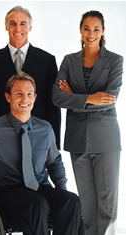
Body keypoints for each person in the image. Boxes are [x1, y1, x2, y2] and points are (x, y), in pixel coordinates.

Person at [0, 72, 84, 235]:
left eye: (29, 94)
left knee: (71, 201)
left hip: (38, 188)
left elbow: (55, 162)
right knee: (37, 203)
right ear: (8, 97)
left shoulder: (45, 129)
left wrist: (61, 190)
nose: (25, 99)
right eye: (19, 94)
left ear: (35, 97)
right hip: (5, 191)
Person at [52, 10, 123, 235]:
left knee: (107, 203)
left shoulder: (115, 61)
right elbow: (56, 97)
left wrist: (75, 97)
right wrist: (90, 98)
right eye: (87, 28)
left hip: (105, 139)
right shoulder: (68, 61)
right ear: (80, 30)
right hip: (77, 138)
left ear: (103, 32)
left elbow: (110, 100)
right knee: (87, 204)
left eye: (96, 29)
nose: (91, 34)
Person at [0, 5, 61, 149]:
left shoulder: (47, 61)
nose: (18, 29)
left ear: (30, 27)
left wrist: (54, 147)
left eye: (23, 24)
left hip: (37, 137)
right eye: (13, 23)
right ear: (6, 27)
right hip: (0, 138)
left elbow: (53, 107)